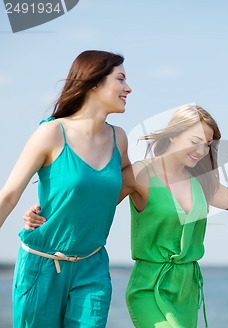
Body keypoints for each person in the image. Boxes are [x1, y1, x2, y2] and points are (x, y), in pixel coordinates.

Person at [24, 104, 228, 328]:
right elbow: (92, 205)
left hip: (187, 289)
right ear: (173, 136)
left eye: (207, 144)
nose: (201, 151)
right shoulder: (140, 174)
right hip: (149, 286)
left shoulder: (203, 183)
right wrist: (41, 212)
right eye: (195, 141)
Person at [0, 50, 132, 327]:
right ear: (94, 83)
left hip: (92, 266)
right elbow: (9, 195)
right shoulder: (51, 132)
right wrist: (51, 212)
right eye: (120, 79)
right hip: (41, 265)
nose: (128, 88)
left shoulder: (118, 138)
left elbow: (122, 186)